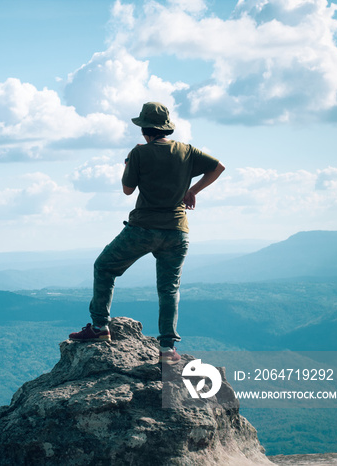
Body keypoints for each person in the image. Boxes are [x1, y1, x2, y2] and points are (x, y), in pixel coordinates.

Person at [69, 102, 225, 365]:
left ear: (144, 129)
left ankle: (99, 328)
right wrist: (192, 191)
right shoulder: (186, 150)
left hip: (142, 228)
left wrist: (129, 163)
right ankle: (167, 349)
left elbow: (128, 190)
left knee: (104, 267)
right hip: (177, 231)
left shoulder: (139, 153)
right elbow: (218, 167)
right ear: (166, 128)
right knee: (169, 288)